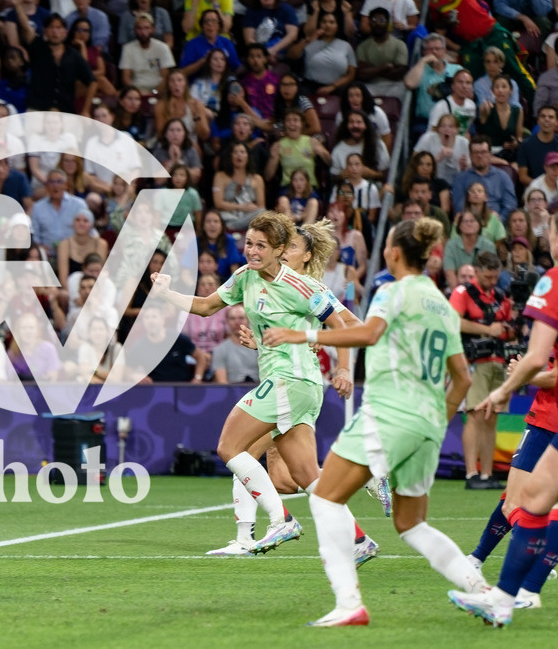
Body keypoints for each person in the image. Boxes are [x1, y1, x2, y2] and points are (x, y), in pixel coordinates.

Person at [264, 218, 488, 626]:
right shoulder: (441, 302)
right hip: (426, 425)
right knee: (411, 523)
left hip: (388, 411)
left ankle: (349, 604)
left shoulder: (392, 290)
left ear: (394, 253)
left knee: (324, 498)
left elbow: (367, 333)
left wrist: (304, 337)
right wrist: (438, 422)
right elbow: (463, 378)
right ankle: (481, 590)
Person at [152, 212, 358, 555]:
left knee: (232, 449)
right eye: (248, 243)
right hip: (291, 383)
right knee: (302, 476)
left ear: (280, 250)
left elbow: (346, 326)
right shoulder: (247, 278)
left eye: (262, 245)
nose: (252, 250)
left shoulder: (303, 286)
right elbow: (206, 307)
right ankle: (357, 539)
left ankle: (279, 522)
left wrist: (343, 367)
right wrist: (167, 294)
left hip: (292, 382)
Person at [448, 214, 558, 626]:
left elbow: (535, 358)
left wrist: (504, 388)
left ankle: (514, 592)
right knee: (536, 502)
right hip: (547, 413)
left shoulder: (553, 280)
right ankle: (514, 594)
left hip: (550, 412)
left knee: (530, 503)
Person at [450, 251, 515, 490]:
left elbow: (508, 328)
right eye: (487, 277)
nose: (491, 282)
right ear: (476, 272)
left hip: (498, 360)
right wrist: (488, 330)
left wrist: (507, 329)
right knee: (476, 414)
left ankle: (487, 474)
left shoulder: (500, 295)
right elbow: (453, 321)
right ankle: (471, 473)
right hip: (474, 361)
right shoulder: (463, 293)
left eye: (495, 277)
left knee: (491, 417)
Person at [119, 13, 175, 94]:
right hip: (136, 90)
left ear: (153, 29)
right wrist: (137, 93)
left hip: (158, 91)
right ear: (135, 30)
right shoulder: (128, 48)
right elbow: (126, 78)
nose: (143, 32)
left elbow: (165, 77)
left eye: (146, 28)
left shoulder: (162, 48)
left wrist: (154, 93)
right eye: (139, 28)